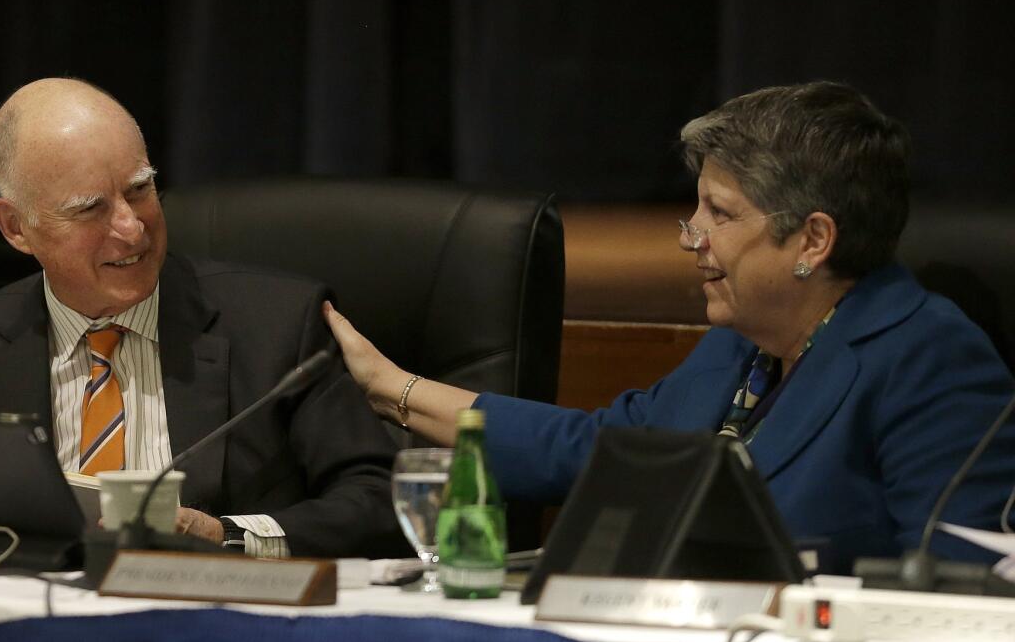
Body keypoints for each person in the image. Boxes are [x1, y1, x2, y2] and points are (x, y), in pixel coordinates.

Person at [324, 80, 1015, 572]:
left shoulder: (928, 356)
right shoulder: (742, 346)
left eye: (720, 213)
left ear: (813, 240)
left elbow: (958, 587)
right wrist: (392, 388)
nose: (692, 238)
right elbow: (596, 449)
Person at [0, 77, 405, 559]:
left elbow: (378, 499)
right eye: (90, 209)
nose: (132, 229)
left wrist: (226, 534)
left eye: (139, 189)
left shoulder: (276, 327)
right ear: (15, 227)